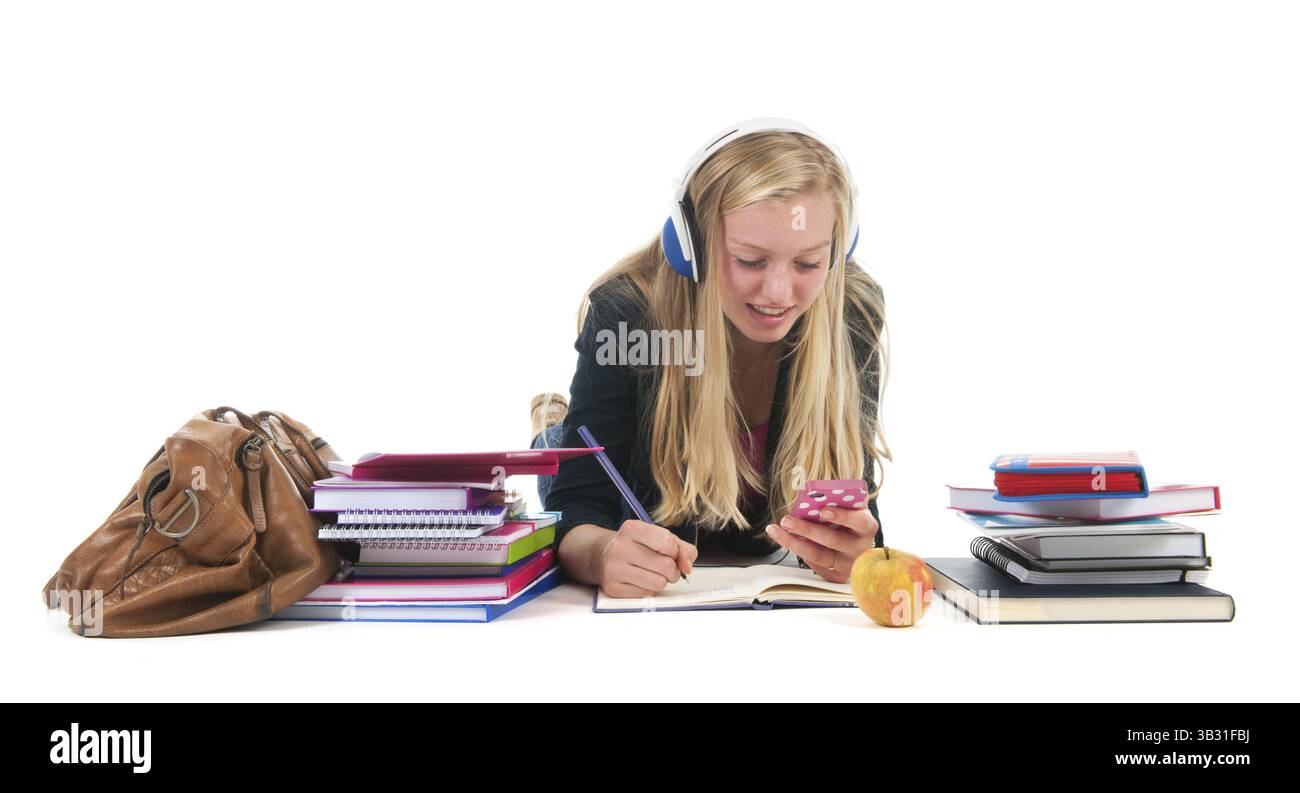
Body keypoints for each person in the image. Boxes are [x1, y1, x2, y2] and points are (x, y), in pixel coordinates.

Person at [530, 118, 889, 598]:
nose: (779, 292)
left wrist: (856, 549)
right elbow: (576, 509)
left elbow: (863, 514)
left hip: (753, 541)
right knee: (556, 451)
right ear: (690, 248)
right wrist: (600, 552)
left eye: (808, 262)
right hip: (638, 501)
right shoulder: (628, 317)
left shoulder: (852, 313)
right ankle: (551, 426)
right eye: (750, 260)